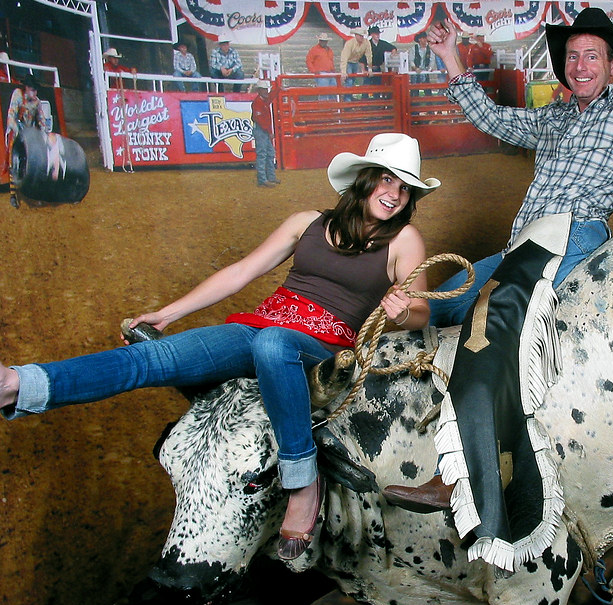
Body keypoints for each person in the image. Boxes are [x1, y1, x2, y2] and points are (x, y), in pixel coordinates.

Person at [0, 132, 439, 561]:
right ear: (365, 179)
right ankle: (23, 384)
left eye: (405, 189)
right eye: (387, 180)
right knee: (158, 356)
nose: (394, 194)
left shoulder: (404, 241)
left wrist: (403, 313)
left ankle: (303, 481)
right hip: (258, 329)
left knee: (272, 344)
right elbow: (241, 272)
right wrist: (169, 314)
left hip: (321, 347)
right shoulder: (306, 222)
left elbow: (422, 314)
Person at [381, 8, 613, 516]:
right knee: (445, 298)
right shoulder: (556, 116)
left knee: (496, 322)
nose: (580, 65)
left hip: (574, 234)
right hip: (525, 241)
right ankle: (393, 406)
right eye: (572, 56)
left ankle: (463, 475)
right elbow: (495, 119)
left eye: (592, 56)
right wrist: (448, 56)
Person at [250, 79, 280, 187]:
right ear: (259, 91)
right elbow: (261, 121)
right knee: (264, 154)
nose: (266, 91)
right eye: (264, 90)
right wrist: (269, 132)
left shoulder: (261, 101)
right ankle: (264, 179)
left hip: (262, 130)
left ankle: (267, 178)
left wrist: (278, 89)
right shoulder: (259, 103)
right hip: (262, 130)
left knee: (267, 154)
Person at [339, 28, 371, 98]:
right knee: (349, 81)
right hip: (348, 62)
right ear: (356, 35)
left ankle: (348, 98)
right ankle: (347, 101)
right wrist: (343, 71)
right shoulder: (349, 43)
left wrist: (370, 69)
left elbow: (369, 56)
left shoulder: (366, 42)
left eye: (362, 35)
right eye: (360, 35)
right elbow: (344, 58)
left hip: (356, 62)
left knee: (352, 81)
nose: (361, 37)